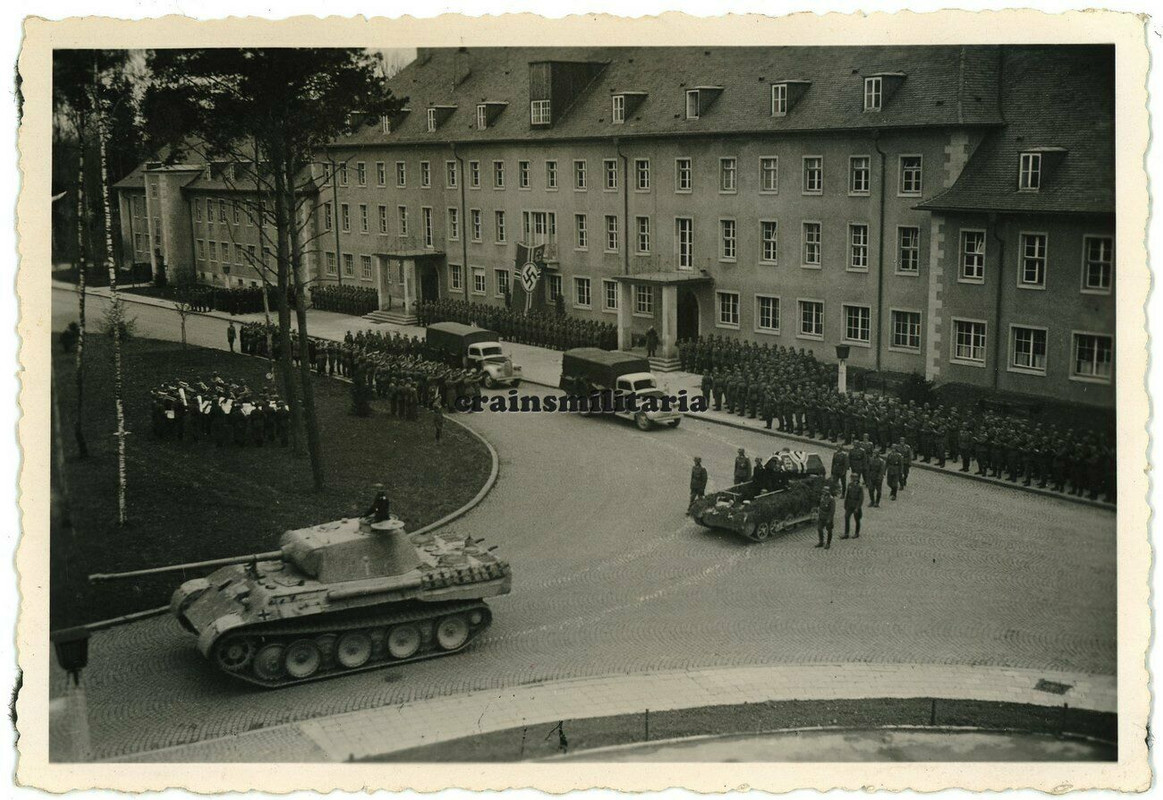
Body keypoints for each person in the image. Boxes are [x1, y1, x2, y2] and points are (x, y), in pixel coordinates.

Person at [842, 473, 864, 539]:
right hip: (849, 504)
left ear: (857, 478)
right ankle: (846, 533)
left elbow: (861, 499)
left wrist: (857, 507)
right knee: (846, 517)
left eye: (854, 477)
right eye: (851, 477)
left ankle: (857, 533)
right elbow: (847, 495)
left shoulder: (859, 487)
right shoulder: (849, 485)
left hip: (856, 505)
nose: (852, 479)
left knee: (857, 519)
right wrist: (845, 504)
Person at [815, 483, 836, 549]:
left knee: (829, 530)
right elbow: (820, 506)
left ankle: (828, 543)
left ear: (828, 492)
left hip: (827, 517)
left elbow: (832, 510)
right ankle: (821, 542)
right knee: (819, 529)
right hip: (822, 516)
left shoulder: (831, 499)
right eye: (823, 491)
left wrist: (829, 519)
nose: (823, 492)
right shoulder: (822, 497)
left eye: (825, 491)